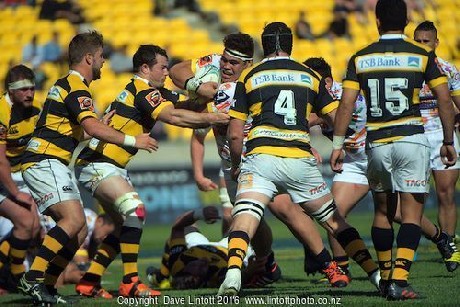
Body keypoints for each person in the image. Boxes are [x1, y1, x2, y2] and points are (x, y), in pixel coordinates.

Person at [171, 33, 354, 288]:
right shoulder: (213, 66)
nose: (225, 66)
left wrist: (304, 144)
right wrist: (198, 88)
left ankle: (327, 263)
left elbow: (291, 114)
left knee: (285, 208)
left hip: (264, 155)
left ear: (247, 64)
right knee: (246, 218)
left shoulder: (256, 78)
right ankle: (267, 262)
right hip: (233, 161)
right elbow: (176, 71)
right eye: (225, 59)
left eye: (233, 63)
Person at [218, 22, 380, 296]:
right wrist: (339, 144)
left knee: (245, 215)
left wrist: (236, 166)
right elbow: (334, 115)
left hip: (261, 156)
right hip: (298, 157)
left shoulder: (251, 76)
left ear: (264, 45)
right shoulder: (309, 75)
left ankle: (233, 273)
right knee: (333, 220)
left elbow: (235, 135)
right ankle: (375, 275)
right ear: (291, 45)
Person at [74, 44, 229, 299]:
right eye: (162, 67)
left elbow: (187, 105)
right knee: (136, 210)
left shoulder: (155, 92)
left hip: (106, 164)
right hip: (98, 163)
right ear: (145, 68)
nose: (167, 72)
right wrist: (215, 119)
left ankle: (89, 281)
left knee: (122, 226)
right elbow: (175, 118)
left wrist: (210, 96)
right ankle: (131, 283)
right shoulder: (142, 90)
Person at [18, 31, 159, 305]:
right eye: (102, 56)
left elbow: (72, 131)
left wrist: (95, 127)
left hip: (49, 160)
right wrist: (133, 140)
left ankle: (46, 287)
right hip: (45, 160)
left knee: (80, 230)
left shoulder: (66, 85)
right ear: (89, 58)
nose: (104, 62)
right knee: (72, 221)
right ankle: (33, 277)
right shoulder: (76, 86)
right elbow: (90, 127)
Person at [330, 0, 456, 300]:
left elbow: (346, 104)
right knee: (411, 214)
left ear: (376, 22)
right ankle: (399, 279)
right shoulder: (422, 54)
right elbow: (443, 97)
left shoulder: (360, 57)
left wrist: (336, 145)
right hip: (411, 138)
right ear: (407, 21)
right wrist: (449, 140)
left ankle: (385, 278)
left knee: (383, 212)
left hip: (376, 142)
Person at [413, 21, 460, 272]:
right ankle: (432, 240)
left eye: (426, 41)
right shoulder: (406, 70)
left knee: (446, 193)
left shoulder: (448, 69)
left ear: (436, 43)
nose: (422, 46)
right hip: (414, 138)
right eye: (417, 41)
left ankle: (451, 247)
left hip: (443, 138)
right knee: (414, 200)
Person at [0, 64, 41, 292]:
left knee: (33, 228)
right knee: (25, 223)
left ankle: (9, 275)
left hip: (12, 175)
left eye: (32, 88)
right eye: (23, 89)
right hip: (3, 174)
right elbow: (0, 161)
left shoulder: (35, 111)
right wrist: (16, 194)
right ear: (11, 90)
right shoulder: (1, 112)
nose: (30, 94)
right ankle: (17, 276)